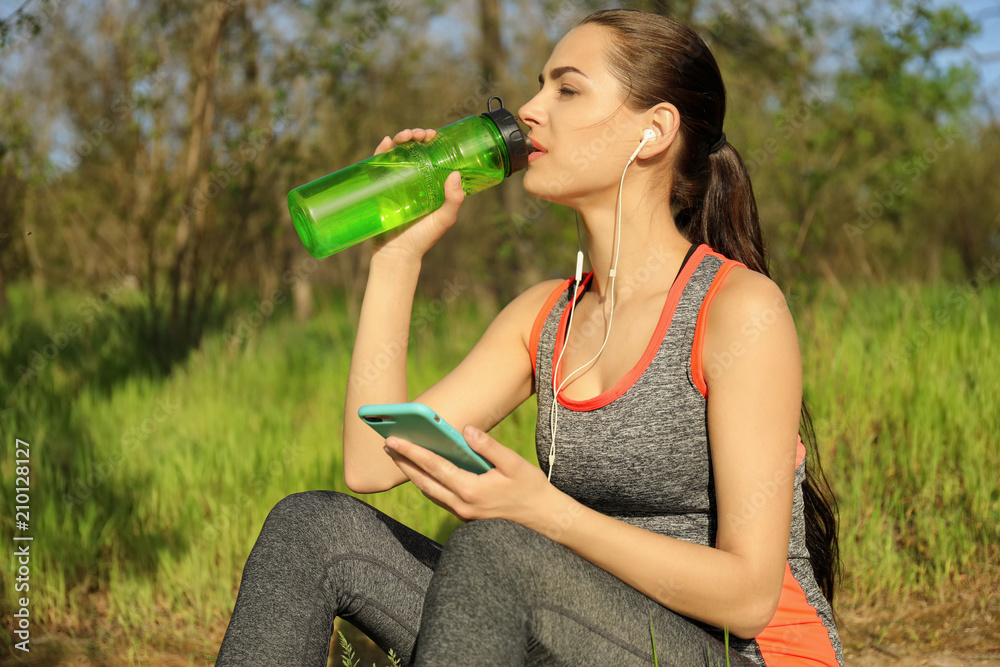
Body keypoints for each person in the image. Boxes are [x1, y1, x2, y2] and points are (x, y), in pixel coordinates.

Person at [215, 8, 843, 666]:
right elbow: (371, 462)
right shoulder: (545, 316)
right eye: (540, 86)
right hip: (575, 623)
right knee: (313, 527)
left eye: (567, 90)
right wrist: (397, 257)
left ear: (654, 130)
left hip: (739, 651)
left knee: (497, 550)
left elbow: (747, 596)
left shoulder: (738, 310)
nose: (530, 109)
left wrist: (545, 513)